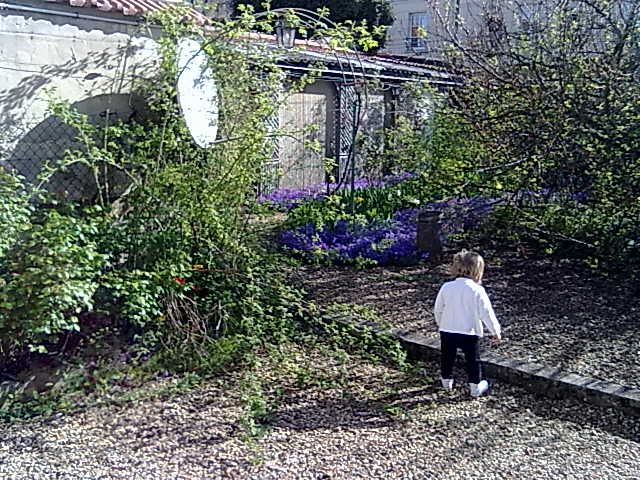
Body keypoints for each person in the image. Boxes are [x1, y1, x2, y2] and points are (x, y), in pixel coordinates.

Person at [433, 249, 502, 397]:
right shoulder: (477, 290)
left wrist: (441, 324)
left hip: (447, 330)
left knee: (447, 357)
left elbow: (438, 309)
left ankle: (446, 382)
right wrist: (495, 331)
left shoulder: (447, 287)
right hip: (469, 332)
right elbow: (486, 313)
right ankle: (475, 387)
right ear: (477, 271)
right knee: (473, 360)